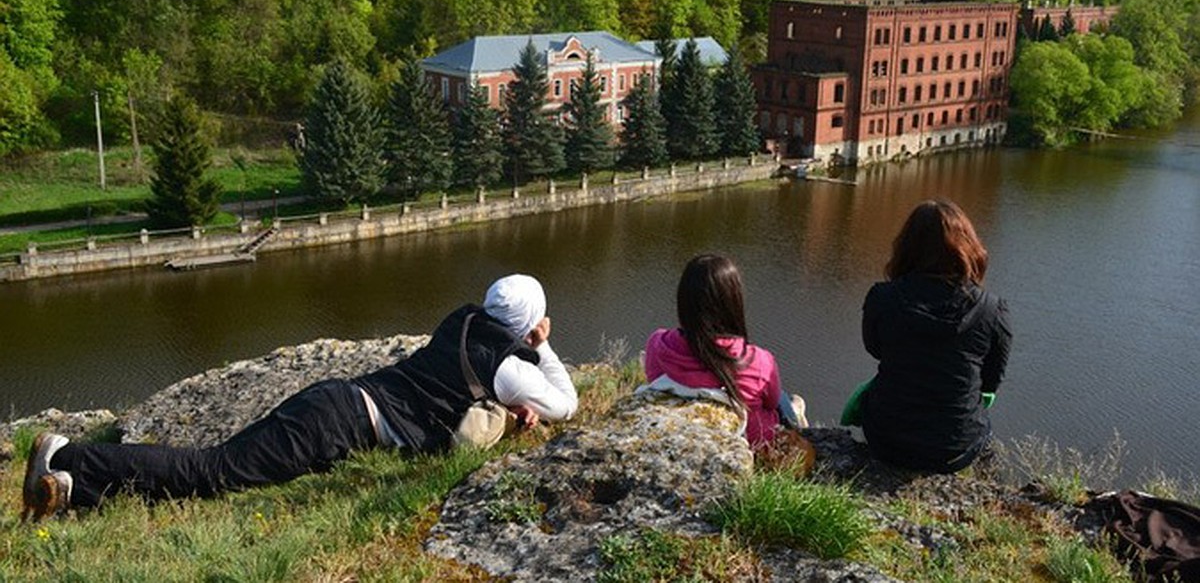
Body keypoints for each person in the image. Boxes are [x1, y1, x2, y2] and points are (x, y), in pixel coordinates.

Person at [22, 274, 577, 520]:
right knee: (215, 473)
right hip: (339, 421)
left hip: (341, 403)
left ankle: (73, 488)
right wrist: (543, 348)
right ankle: (67, 454)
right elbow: (566, 405)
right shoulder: (507, 365)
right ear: (529, 322)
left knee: (218, 471)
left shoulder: (466, 317)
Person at [859, 199, 1011, 474]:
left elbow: (875, 348)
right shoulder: (992, 309)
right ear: (969, 248)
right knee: (982, 426)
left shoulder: (881, 298)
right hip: (955, 450)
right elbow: (990, 383)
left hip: (886, 441)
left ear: (906, 247)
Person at [643, 254, 805, 448]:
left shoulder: (659, 345)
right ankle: (798, 417)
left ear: (683, 301)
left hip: (681, 434)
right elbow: (770, 404)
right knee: (781, 398)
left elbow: (654, 380)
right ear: (733, 302)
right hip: (753, 443)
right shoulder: (758, 360)